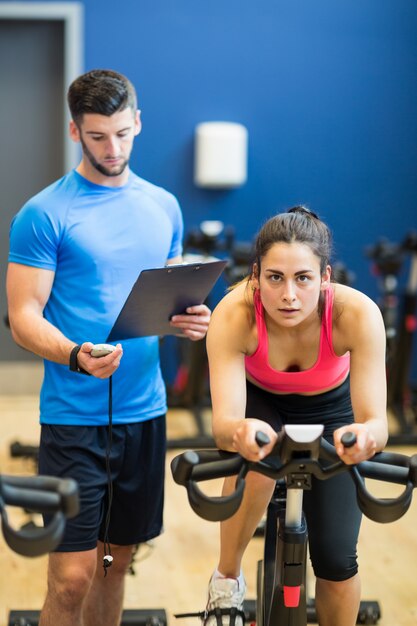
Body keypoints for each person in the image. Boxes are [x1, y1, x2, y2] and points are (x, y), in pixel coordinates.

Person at [6, 69, 211, 626]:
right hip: (75, 418)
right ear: (75, 132)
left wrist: (190, 320)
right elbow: (23, 316)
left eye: (122, 133)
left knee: (115, 565)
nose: (112, 148)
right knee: (70, 580)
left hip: (145, 412)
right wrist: (75, 354)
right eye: (98, 136)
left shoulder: (165, 206)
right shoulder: (43, 214)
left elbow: (167, 296)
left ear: (138, 122)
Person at [203, 206, 388, 626]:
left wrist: (363, 438)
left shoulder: (355, 314)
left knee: (338, 561)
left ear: (325, 279)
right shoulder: (234, 315)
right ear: (255, 275)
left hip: (331, 410)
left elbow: (376, 421)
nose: (288, 295)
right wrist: (240, 431)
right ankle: (225, 581)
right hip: (260, 403)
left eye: (302, 278)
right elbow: (223, 427)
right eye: (275, 278)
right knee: (261, 462)